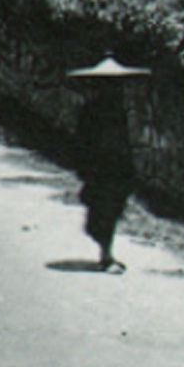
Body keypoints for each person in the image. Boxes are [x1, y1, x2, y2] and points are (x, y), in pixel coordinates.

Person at [75, 80, 134, 272]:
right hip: (100, 169)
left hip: (117, 169)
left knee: (111, 211)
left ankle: (106, 252)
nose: (118, 90)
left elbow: (124, 143)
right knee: (105, 211)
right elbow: (82, 140)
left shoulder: (119, 111)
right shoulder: (92, 111)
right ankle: (106, 256)